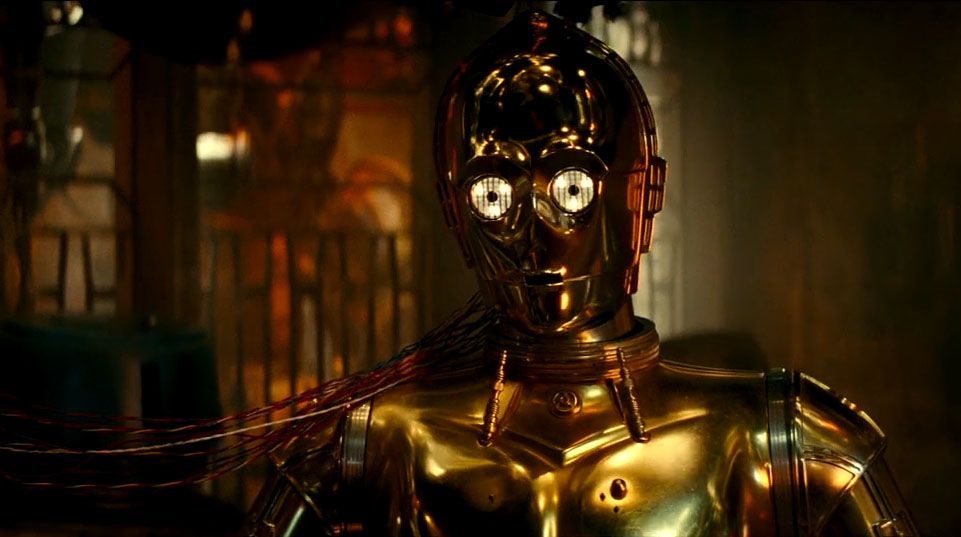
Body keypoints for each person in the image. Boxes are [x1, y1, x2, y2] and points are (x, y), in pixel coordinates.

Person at [245, 10, 917, 536]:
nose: (533, 233)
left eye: (570, 188)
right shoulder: (371, 441)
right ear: (457, 212)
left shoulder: (780, 437)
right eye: (494, 194)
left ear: (639, 196)